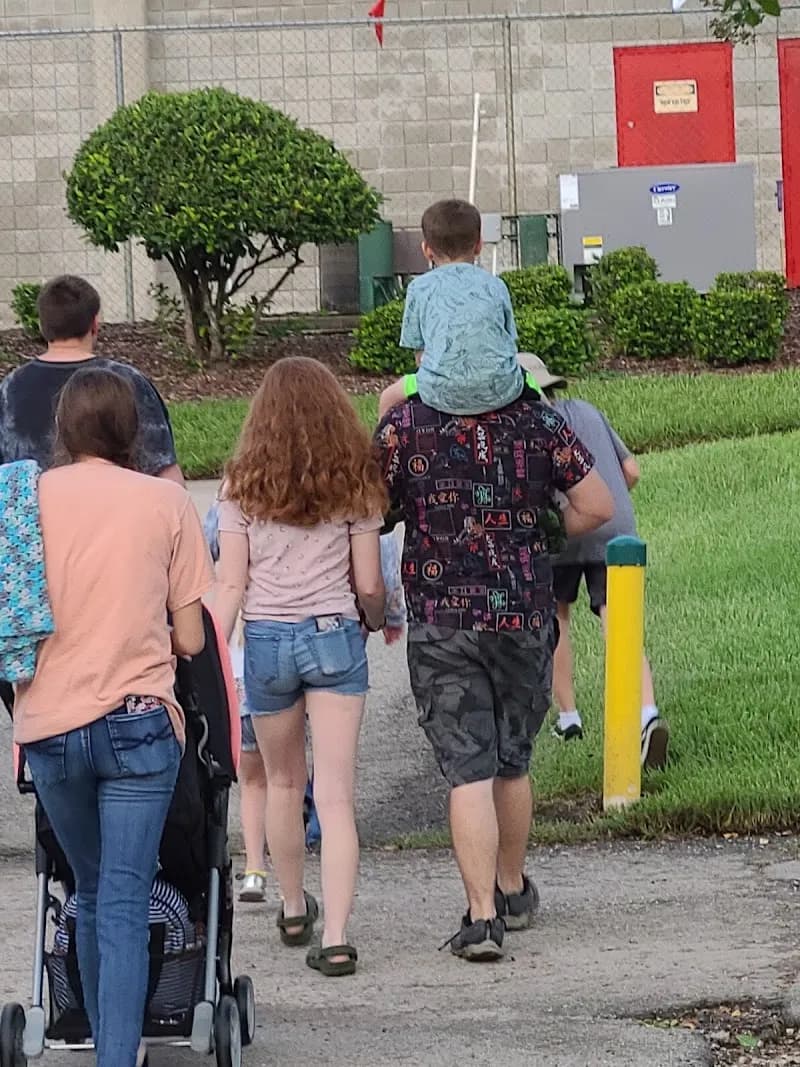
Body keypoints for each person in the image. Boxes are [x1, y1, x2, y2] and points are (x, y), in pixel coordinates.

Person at [375, 373, 614, 962]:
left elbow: (369, 509)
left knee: (467, 770)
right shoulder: (537, 419)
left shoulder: (406, 425)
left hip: (441, 619)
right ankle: (512, 889)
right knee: (513, 759)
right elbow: (599, 504)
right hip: (522, 613)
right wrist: (541, 528)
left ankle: (481, 919)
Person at [13, 367, 213, 1067]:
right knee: (127, 897)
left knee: (91, 891)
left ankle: (104, 1038)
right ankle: (118, 1058)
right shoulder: (165, 502)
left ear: (61, 430)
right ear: (132, 431)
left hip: (51, 725)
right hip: (138, 722)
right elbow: (190, 638)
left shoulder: (21, 501)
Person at [212, 357, 388, 979]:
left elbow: (231, 582)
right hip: (335, 634)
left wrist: (209, 649)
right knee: (336, 798)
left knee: (284, 783)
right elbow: (367, 582)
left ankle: (291, 906)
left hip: (266, 640)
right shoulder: (355, 480)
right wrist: (377, 616)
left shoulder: (241, 486)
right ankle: (336, 937)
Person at [518, 354, 669, 770]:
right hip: (614, 525)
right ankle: (646, 712)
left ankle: (568, 718)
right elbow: (631, 471)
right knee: (617, 618)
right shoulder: (587, 411)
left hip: (563, 526)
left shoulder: (528, 426)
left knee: (556, 617)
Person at [0, 275, 183, 484]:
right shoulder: (129, 382)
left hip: (33, 514)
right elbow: (164, 471)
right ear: (95, 324)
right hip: (117, 510)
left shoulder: (9, 389)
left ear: (42, 326)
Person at [378, 199, 524, 418]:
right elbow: (508, 341)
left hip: (437, 390)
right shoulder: (495, 284)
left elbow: (419, 354)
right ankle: (555, 432)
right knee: (536, 389)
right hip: (501, 388)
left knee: (387, 398)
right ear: (479, 245)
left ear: (426, 249)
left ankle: (382, 451)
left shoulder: (419, 288)